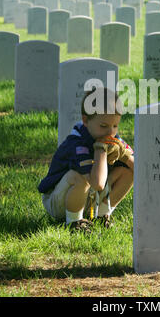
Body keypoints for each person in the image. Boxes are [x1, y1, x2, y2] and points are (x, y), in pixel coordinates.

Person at [38, 87, 134, 233]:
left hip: (88, 199)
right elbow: (98, 183)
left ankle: (101, 215)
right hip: (59, 201)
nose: (110, 132)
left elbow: (139, 169)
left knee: (128, 172)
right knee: (79, 177)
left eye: (115, 125)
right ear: (85, 120)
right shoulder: (77, 143)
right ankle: (74, 221)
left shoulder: (112, 138)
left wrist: (124, 155)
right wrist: (100, 150)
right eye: (104, 126)